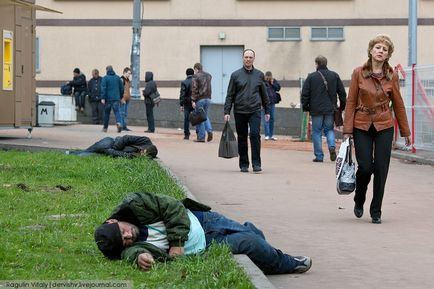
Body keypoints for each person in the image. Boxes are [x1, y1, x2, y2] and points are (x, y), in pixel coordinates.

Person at [94, 192, 312, 275]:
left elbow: (172, 207)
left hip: (202, 219)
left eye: (123, 232)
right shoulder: (129, 248)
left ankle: (255, 236)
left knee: (252, 238)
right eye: (125, 241)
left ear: (113, 220)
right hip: (206, 246)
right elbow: (130, 254)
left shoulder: (135, 203)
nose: (129, 237)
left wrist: (176, 244)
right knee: (252, 244)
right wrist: (140, 257)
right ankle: (289, 262)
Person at [343, 34, 411, 224]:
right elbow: (350, 102)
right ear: (371, 50)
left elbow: (398, 104)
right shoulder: (358, 73)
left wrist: (406, 132)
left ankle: (376, 210)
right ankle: (359, 198)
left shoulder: (392, 76)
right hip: (361, 124)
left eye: (385, 49)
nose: (381, 51)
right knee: (365, 167)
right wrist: (347, 130)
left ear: (388, 55)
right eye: (378, 48)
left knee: (381, 168)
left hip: (384, 124)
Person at [224, 49, 270, 173]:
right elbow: (230, 94)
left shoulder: (259, 75)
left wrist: (267, 110)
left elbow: (264, 93)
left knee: (255, 135)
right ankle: (244, 164)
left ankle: (256, 164)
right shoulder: (235, 75)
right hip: (240, 110)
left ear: (254, 59)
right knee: (242, 137)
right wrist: (227, 111)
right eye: (246, 57)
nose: (248, 59)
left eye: (250, 57)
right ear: (243, 58)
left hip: (255, 110)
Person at [301, 55, 347, 163]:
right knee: (329, 129)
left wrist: (305, 106)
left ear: (316, 64)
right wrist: (342, 106)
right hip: (330, 109)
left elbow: (305, 93)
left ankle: (319, 156)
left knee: (316, 131)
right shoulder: (334, 75)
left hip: (316, 109)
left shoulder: (311, 77)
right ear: (326, 63)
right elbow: (342, 93)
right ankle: (331, 146)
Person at [68, 135, 157, 158]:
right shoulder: (146, 140)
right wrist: (114, 148)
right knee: (92, 150)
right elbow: (126, 138)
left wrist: (111, 151)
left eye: (143, 154)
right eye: (142, 151)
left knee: (88, 154)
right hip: (112, 142)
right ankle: (70, 153)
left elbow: (120, 154)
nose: (141, 153)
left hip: (110, 150)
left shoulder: (136, 156)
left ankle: (71, 153)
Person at [191, 63, 213, 142]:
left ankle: (201, 137)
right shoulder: (208, 75)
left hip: (200, 99)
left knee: (200, 118)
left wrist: (193, 100)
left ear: (196, 69)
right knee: (205, 116)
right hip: (208, 98)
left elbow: (194, 88)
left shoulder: (195, 76)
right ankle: (209, 131)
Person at [101, 65, 124, 133]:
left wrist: (103, 98)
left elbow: (103, 88)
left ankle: (105, 128)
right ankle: (119, 123)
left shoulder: (105, 78)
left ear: (107, 70)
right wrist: (120, 96)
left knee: (107, 113)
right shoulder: (117, 78)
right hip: (116, 99)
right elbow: (121, 88)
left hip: (108, 99)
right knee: (117, 112)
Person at [263, 71, 281, 141]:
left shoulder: (273, 81)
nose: (268, 78)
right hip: (265, 104)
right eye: (267, 76)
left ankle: (271, 135)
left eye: (269, 76)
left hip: (272, 103)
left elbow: (278, 88)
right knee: (266, 119)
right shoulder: (263, 82)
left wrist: (273, 83)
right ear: (265, 76)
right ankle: (267, 135)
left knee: (272, 118)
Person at [179, 68, 195, 140]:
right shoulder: (196, 81)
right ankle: (199, 133)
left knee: (186, 119)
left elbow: (182, 94)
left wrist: (181, 104)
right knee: (197, 117)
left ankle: (187, 134)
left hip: (187, 102)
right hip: (195, 101)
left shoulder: (184, 82)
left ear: (186, 74)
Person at [120, 67, 132, 132]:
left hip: (127, 98)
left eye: (130, 73)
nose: (129, 75)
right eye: (128, 73)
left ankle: (125, 126)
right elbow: (120, 90)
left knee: (125, 113)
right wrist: (122, 98)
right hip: (123, 99)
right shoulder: (122, 79)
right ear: (124, 72)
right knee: (122, 113)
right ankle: (122, 127)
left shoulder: (127, 80)